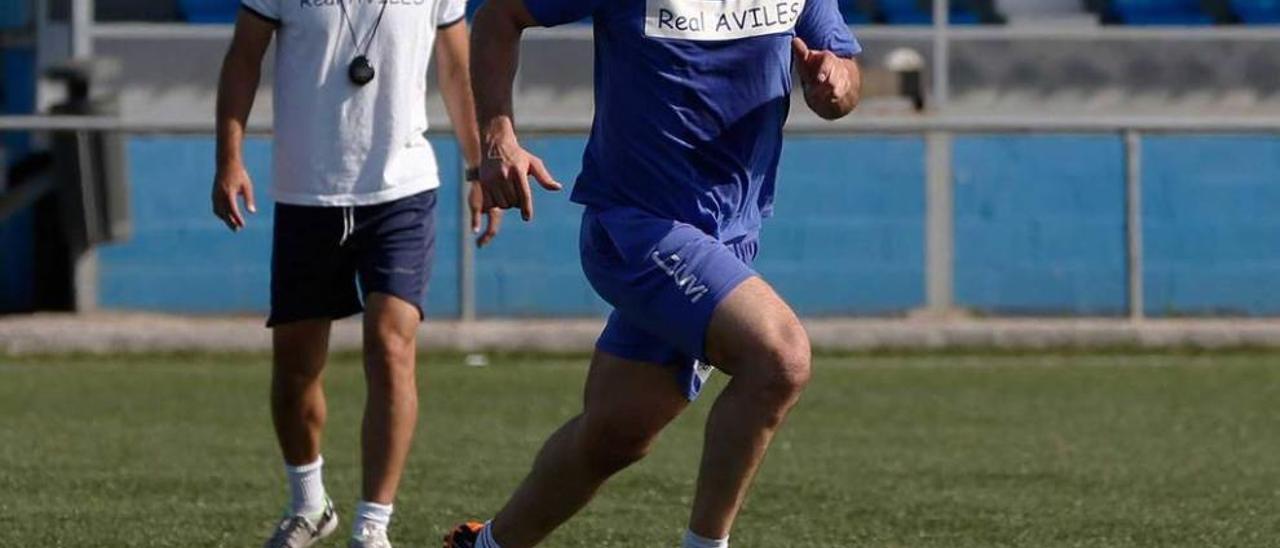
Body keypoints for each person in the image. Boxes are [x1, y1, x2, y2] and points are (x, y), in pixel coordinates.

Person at [445, 0, 860, 546]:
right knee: (780, 358)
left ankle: (489, 544)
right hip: (637, 228)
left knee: (616, 435)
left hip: (729, 238)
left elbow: (846, 74)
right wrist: (497, 136)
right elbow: (500, 16)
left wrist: (834, 84)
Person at [211, 0, 501, 545]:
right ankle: (309, 503)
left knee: (391, 345)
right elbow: (244, 55)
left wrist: (478, 164)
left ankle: (373, 525)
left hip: (402, 189)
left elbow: (458, 67)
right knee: (296, 369)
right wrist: (229, 157)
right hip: (307, 192)